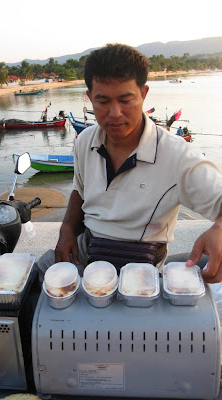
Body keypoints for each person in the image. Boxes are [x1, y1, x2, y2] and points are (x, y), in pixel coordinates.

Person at [36, 43, 222, 283]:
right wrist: (67, 229)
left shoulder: (179, 157)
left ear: (143, 95)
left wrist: (218, 230)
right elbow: (79, 190)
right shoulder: (84, 142)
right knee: (34, 285)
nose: (115, 113)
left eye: (126, 100)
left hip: (140, 270)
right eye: (102, 101)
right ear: (90, 97)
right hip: (86, 254)